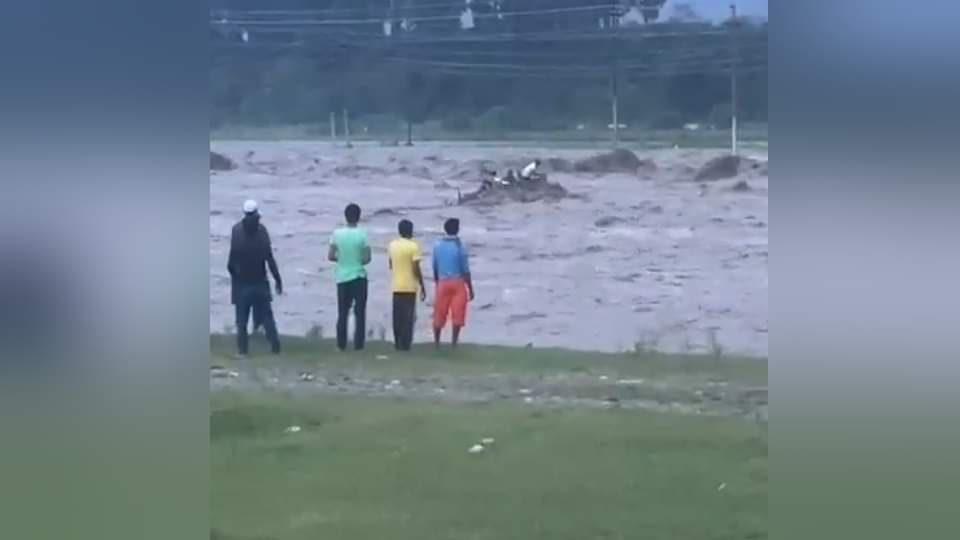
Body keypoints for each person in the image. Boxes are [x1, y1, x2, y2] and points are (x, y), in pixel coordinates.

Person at [227, 199, 283, 355]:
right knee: (267, 317)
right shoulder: (262, 232)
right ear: (257, 214)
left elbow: (231, 262)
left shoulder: (236, 231)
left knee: (242, 321)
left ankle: (243, 351)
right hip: (260, 281)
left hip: (242, 283)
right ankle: (275, 347)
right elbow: (269, 259)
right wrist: (278, 279)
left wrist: (235, 278)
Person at [328, 203, 371, 351]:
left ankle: (341, 344)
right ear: (359, 217)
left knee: (342, 312)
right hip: (358, 276)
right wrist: (357, 258)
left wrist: (342, 258)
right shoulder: (362, 234)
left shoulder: (337, 234)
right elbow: (367, 259)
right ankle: (359, 345)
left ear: (345, 216)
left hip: (342, 277)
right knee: (360, 313)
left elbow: (331, 256)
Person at [432, 217, 475, 348]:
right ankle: (454, 342)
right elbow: (466, 270)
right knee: (458, 314)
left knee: (439, 312)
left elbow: (435, 266)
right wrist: (471, 289)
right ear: (457, 230)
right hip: (457, 282)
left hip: (442, 282)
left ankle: (437, 341)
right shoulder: (460, 247)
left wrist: (437, 282)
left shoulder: (437, 246)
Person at [388, 219, 426, 351]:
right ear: (411, 231)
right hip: (410, 286)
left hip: (396, 285)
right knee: (408, 317)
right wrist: (422, 284)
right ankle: (406, 343)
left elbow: (391, 264)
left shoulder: (392, 245)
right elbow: (416, 268)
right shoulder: (414, 246)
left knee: (397, 316)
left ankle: (397, 341)